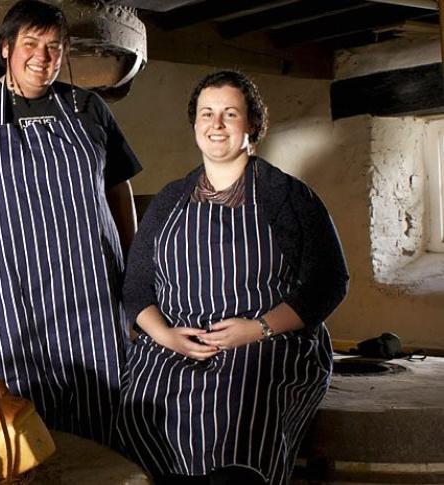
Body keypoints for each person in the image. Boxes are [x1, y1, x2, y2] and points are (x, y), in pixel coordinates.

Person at [0, 0, 141, 445]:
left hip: (93, 296)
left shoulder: (89, 109)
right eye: (30, 44)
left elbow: (118, 194)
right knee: (15, 425)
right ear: (5, 48)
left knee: (105, 414)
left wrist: (135, 278)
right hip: (7, 299)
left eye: (54, 46)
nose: (42, 56)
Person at [116, 71, 349, 485]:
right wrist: (166, 336)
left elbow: (329, 282)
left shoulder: (288, 196)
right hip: (176, 344)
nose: (216, 124)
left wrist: (257, 328)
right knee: (138, 408)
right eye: (207, 114)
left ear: (253, 124)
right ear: (195, 125)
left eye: (229, 114)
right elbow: (136, 288)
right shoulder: (170, 199)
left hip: (264, 344)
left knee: (235, 413)